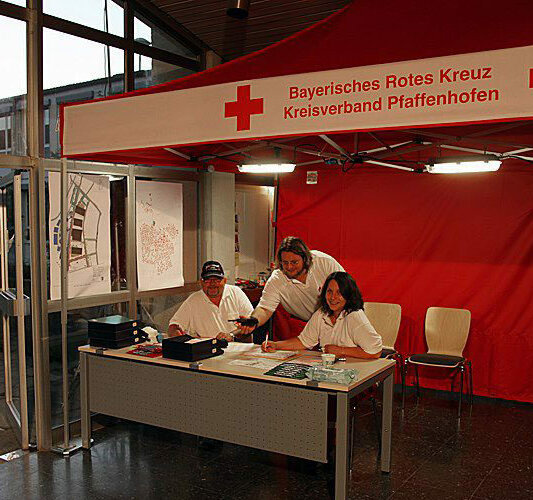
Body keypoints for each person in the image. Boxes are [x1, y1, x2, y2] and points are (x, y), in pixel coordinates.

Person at [261, 271, 382, 359]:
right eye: (329, 292)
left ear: (348, 295)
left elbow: (375, 351)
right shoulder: (321, 313)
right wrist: (276, 345)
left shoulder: (354, 316)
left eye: (339, 293)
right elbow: (304, 341)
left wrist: (341, 351)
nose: (333, 297)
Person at [239, 236, 345, 335]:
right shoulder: (277, 278)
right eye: (285, 262)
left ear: (305, 258)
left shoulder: (324, 262)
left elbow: (348, 291)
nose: (289, 267)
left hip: (343, 319)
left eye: (294, 262)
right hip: (315, 325)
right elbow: (265, 308)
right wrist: (254, 320)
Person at [168, 261, 253, 341]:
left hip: (238, 348)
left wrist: (231, 335)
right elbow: (173, 326)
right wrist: (178, 337)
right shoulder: (193, 300)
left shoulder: (236, 293)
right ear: (201, 282)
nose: (212, 284)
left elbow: (252, 322)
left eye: (217, 280)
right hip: (208, 351)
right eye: (208, 280)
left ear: (224, 280)